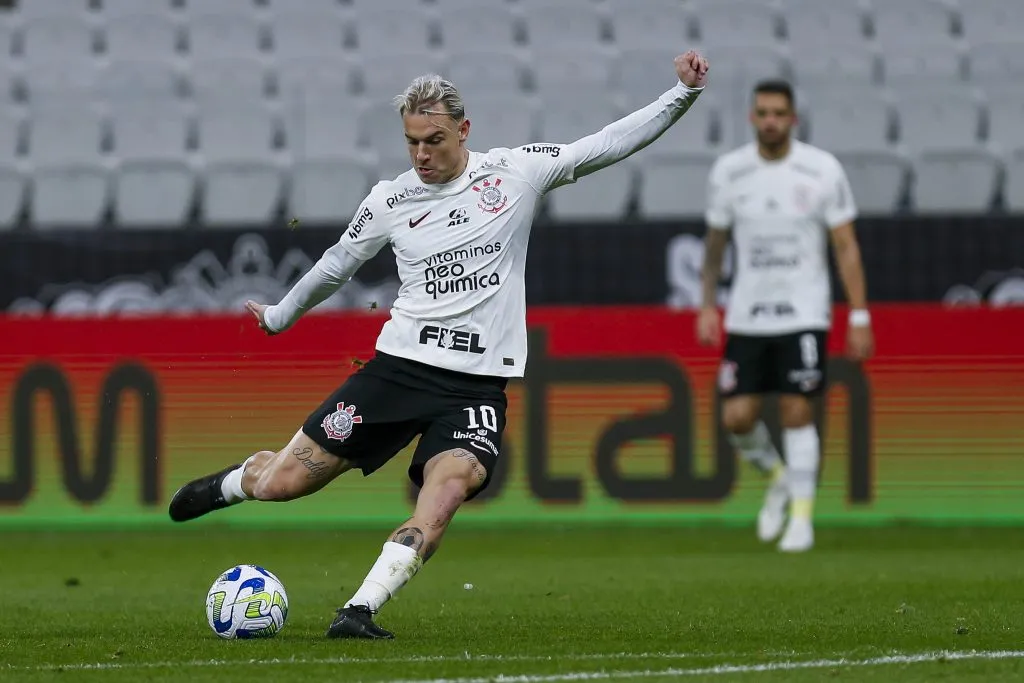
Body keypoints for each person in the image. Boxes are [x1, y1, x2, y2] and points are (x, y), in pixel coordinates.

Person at [168, 50, 710, 639]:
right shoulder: (391, 200)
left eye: (434, 141)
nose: (421, 155)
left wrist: (681, 94)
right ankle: (234, 483)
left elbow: (606, 144)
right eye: (411, 143)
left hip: (473, 389)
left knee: (447, 490)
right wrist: (279, 316)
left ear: (463, 130)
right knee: (285, 484)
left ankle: (358, 611)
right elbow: (336, 264)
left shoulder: (515, 173)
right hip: (397, 371)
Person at [696, 79, 873, 553]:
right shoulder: (729, 171)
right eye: (763, 113)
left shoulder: (821, 169)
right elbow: (715, 247)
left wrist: (859, 314)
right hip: (748, 313)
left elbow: (846, 245)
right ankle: (777, 477)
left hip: (804, 310)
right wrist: (708, 303)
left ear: (793, 119)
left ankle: (801, 518)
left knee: (797, 409)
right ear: (751, 118)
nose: (771, 121)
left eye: (779, 113)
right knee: (737, 417)